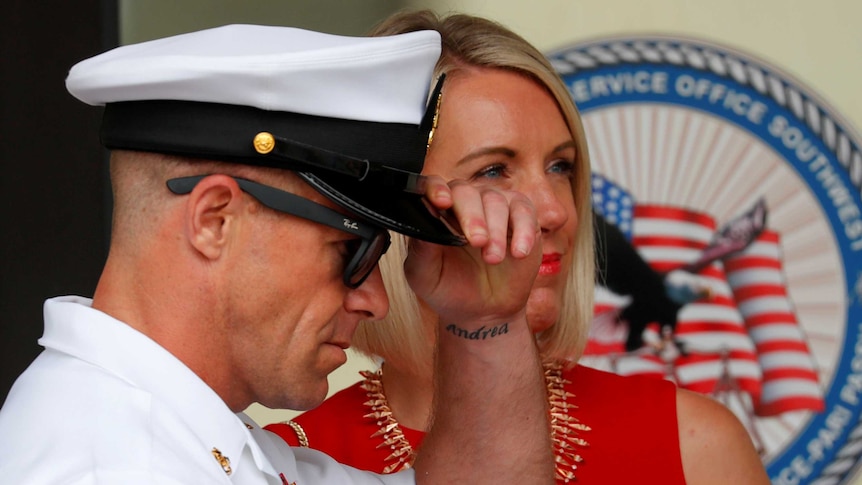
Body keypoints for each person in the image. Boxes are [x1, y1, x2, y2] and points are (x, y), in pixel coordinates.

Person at [0, 24, 556, 484]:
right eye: (353, 247)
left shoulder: (174, 428)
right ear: (215, 220)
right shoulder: (116, 466)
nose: (376, 301)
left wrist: (487, 319)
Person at [265, 11, 770, 484]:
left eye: (561, 167)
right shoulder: (286, 464)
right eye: (493, 172)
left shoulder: (693, 444)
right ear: (388, 211)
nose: (554, 211)